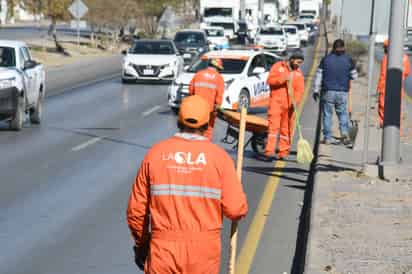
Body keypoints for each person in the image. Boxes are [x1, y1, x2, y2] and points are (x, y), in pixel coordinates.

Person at [127, 95, 248, 274]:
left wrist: (143, 245)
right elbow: (236, 209)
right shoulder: (219, 158)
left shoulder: (155, 154)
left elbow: (136, 212)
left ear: (179, 121)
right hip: (203, 254)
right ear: (207, 124)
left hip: (163, 252)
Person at [312, 39, 358, 145]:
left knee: (327, 115)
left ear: (333, 48)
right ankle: (345, 134)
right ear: (344, 47)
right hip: (342, 92)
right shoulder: (349, 60)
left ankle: (328, 137)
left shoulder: (326, 60)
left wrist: (315, 90)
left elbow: (319, 75)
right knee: (342, 114)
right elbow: (355, 76)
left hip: (327, 91)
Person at [263, 50, 305, 161]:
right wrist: (283, 79)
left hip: (289, 106)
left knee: (286, 130)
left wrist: (295, 102)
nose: (298, 64)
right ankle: (269, 151)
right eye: (297, 62)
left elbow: (299, 91)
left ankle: (283, 152)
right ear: (291, 59)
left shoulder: (299, 74)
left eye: (301, 63)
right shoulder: (278, 66)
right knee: (273, 128)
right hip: (276, 103)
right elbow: (270, 81)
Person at [377, 39, 411, 128]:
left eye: (385, 47)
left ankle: (385, 126)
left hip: (386, 86)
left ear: (389, 48)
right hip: (399, 87)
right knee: (397, 109)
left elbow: (383, 74)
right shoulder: (405, 57)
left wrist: (379, 87)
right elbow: (407, 72)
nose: (384, 49)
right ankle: (396, 129)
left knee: (383, 107)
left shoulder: (386, 58)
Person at [189, 58, 225, 141]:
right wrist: (217, 107)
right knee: (207, 129)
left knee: (194, 126)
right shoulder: (219, 78)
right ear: (217, 68)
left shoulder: (198, 74)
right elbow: (219, 96)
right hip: (209, 110)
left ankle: (193, 143)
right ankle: (204, 146)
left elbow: (191, 90)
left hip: (196, 107)